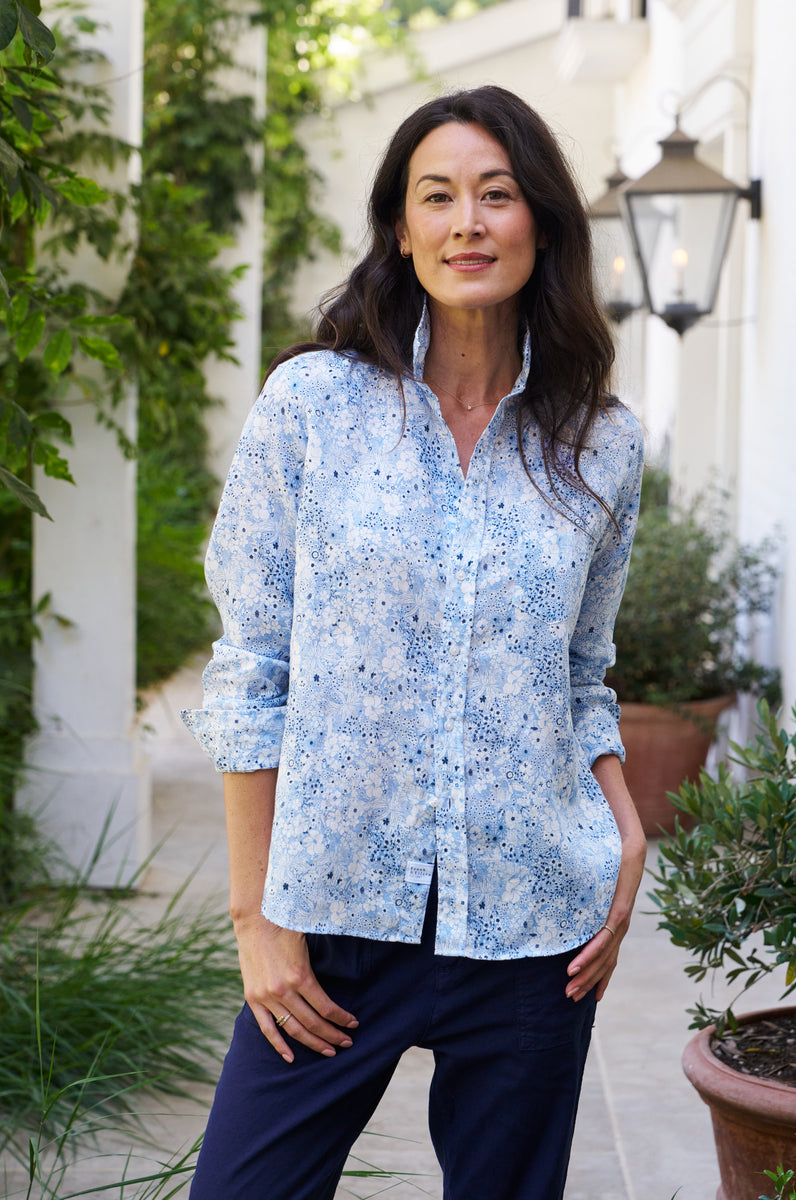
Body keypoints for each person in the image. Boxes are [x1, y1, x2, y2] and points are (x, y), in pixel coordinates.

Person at [182, 84, 645, 1200]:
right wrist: (256, 919)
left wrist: (624, 829)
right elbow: (253, 671)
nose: (466, 223)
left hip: (532, 923)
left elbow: (581, 672)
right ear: (400, 227)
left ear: (542, 222)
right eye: (436, 196)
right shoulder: (312, 407)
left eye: (497, 194)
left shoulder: (603, 443)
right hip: (333, 913)